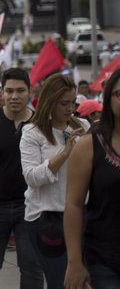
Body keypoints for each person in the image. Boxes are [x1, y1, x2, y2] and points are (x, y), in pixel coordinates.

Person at [0, 68, 44, 289]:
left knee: (32, 267)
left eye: (20, 91)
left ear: (30, 92)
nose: (14, 96)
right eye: (9, 91)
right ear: (1, 93)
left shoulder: (41, 123)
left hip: (31, 208)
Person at [20, 74, 88, 289]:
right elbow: (31, 177)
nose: (70, 109)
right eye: (64, 103)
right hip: (47, 218)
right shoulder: (32, 132)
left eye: (73, 103)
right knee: (61, 282)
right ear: (50, 101)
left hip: (83, 214)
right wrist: (64, 153)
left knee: (85, 280)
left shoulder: (83, 126)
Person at [64, 69, 120, 288]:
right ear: (108, 99)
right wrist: (74, 262)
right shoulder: (90, 146)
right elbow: (74, 205)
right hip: (105, 259)